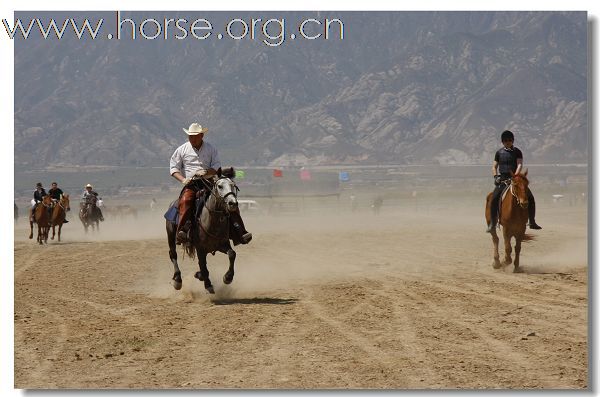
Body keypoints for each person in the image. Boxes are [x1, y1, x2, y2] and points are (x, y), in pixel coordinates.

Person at [170, 122, 252, 246]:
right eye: (190, 136)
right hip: (192, 184)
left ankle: (240, 231)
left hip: (210, 182)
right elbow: (173, 168)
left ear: (201, 135)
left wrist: (206, 172)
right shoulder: (181, 150)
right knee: (185, 201)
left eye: (195, 136)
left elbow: (216, 166)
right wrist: (182, 179)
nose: (192, 138)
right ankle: (181, 232)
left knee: (229, 200)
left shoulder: (211, 149)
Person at [486, 130, 542, 233]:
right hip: (502, 180)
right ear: (502, 141)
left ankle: (532, 221)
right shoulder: (498, 153)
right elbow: (494, 166)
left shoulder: (517, 152)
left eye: (510, 140)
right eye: (506, 140)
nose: (508, 142)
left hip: (515, 179)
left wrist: (515, 176)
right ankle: (493, 224)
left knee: (530, 197)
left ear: (513, 140)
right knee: (493, 199)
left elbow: (519, 164)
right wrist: (495, 177)